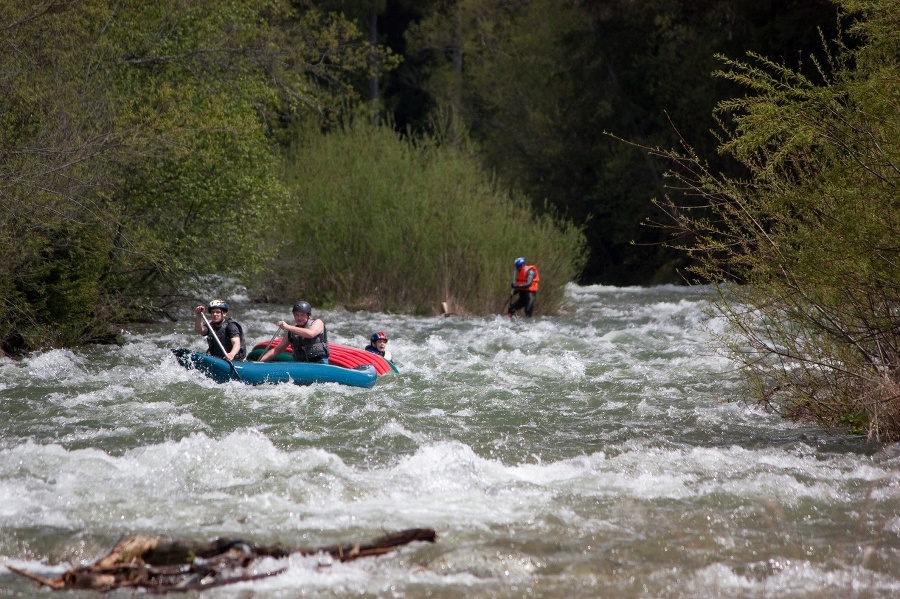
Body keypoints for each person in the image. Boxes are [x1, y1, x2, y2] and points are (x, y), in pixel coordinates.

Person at [258, 301, 329, 364]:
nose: (299, 318)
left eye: (302, 315)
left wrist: (287, 326)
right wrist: (259, 362)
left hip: (319, 364)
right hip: (301, 366)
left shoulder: (318, 322)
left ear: (308, 315)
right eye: (296, 315)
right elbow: (276, 351)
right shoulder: (291, 332)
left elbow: (311, 333)